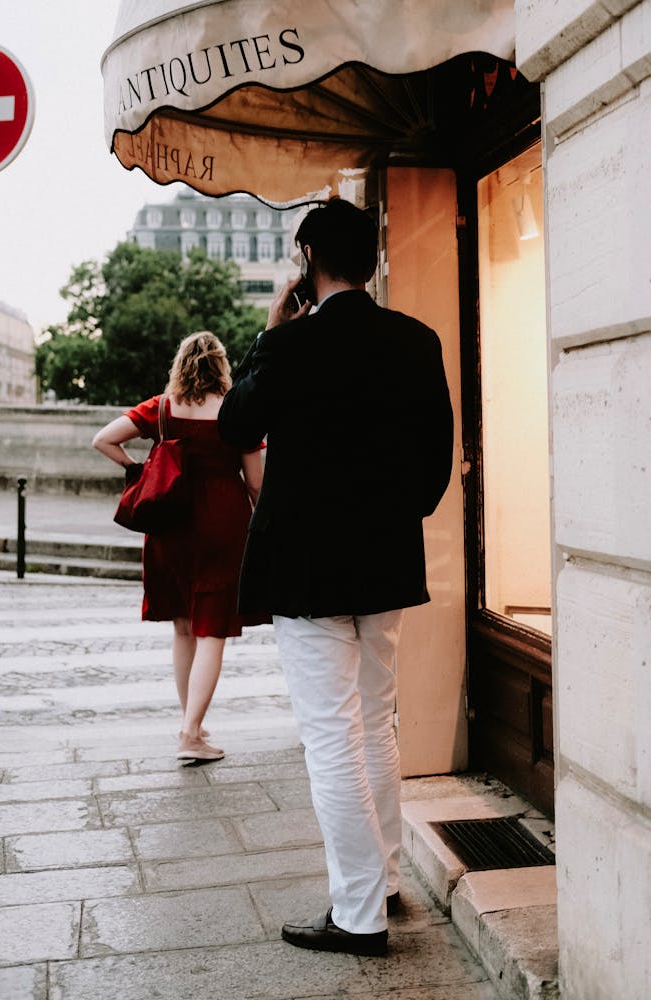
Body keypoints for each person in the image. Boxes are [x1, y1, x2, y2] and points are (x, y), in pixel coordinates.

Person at [218, 198, 453, 956]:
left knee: (331, 735)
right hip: (385, 561)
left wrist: (268, 334)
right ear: (375, 261)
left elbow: (234, 427)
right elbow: (433, 465)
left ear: (308, 258)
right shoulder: (416, 340)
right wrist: (391, 518)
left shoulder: (292, 347)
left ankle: (359, 914)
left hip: (307, 566)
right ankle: (382, 878)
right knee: (376, 722)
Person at [92, 331, 268, 763]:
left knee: (184, 627)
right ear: (221, 366)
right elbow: (257, 483)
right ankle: (191, 732)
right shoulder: (235, 413)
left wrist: (138, 467)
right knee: (213, 630)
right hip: (221, 525)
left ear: (181, 364)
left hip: (171, 525)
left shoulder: (163, 408)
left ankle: (191, 722)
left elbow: (103, 439)